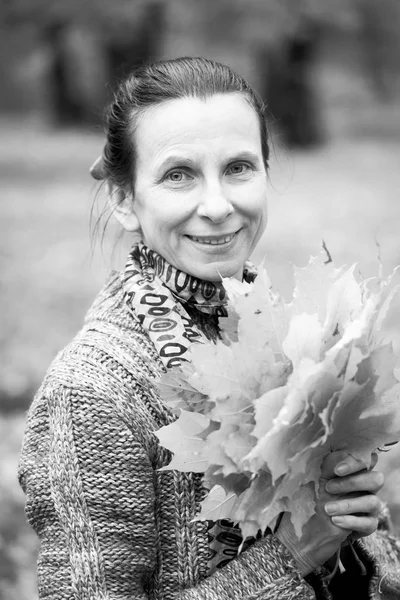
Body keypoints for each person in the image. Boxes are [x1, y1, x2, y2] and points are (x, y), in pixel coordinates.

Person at [19, 57, 400, 600]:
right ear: (124, 199)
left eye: (239, 167)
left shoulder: (295, 340)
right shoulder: (93, 390)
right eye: (179, 175)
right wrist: (293, 555)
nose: (218, 205)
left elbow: (356, 553)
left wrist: (354, 533)